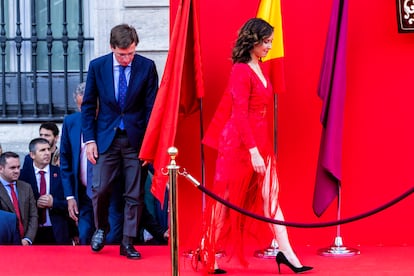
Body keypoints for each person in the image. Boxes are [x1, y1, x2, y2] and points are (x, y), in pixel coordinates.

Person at [199, 18, 313, 274]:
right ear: (253, 42)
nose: (270, 47)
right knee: (225, 200)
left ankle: (288, 254)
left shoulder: (259, 67)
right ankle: (207, 251)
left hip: (259, 142)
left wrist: (259, 149)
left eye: (271, 41)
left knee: (271, 197)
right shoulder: (240, 70)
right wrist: (252, 151)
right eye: (266, 42)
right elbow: (239, 113)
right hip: (239, 143)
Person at [81, 24, 158, 259]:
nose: (127, 59)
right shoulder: (98, 67)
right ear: (112, 47)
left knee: (134, 194)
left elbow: (151, 109)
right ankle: (101, 228)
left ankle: (128, 242)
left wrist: (149, 144)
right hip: (106, 139)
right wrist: (89, 140)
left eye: (131, 53)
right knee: (100, 188)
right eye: (122, 54)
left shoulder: (146, 66)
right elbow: (88, 106)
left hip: (136, 140)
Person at [61, 82, 124, 245]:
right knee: (84, 237)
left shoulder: (112, 122)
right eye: (81, 106)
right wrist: (70, 196)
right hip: (84, 194)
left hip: (110, 193)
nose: (85, 111)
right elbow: (66, 160)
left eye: (89, 106)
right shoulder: (71, 122)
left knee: (111, 239)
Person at [19, 138, 71, 244]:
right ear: (32, 155)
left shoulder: (62, 174)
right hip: (32, 233)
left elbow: (72, 203)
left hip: (57, 232)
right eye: (42, 150)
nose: (47, 153)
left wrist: (53, 203)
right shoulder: (22, 176)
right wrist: (35, 204)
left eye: (48, 149)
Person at [0, 152, 38, 245]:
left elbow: (33, 216)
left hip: (26, 244)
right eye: (12, 168)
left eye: (18, 167)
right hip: (5, 244)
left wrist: (28, 239)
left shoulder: (26, 187)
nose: (17, 171)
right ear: (1, 168)